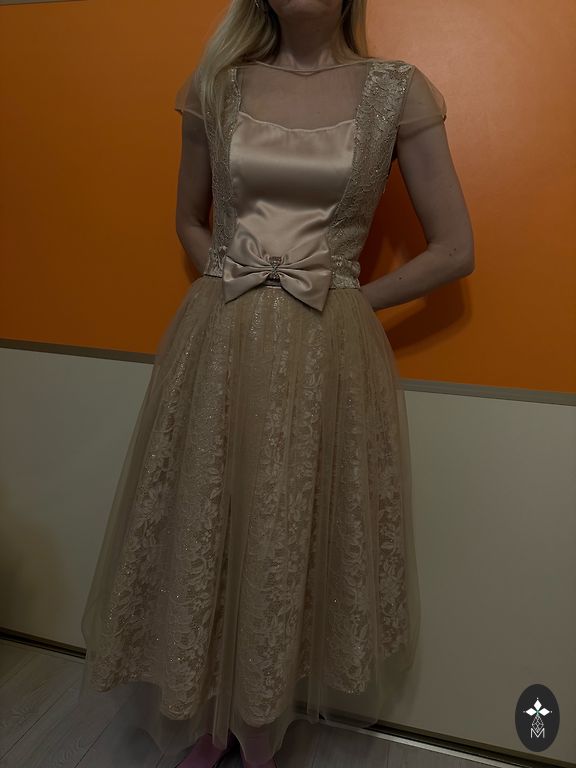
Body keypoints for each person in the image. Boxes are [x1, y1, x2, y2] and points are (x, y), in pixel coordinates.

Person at [78, 1, 474, 767]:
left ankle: (259, 729)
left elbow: (455, 248)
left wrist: (346, 295)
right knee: (209, 524)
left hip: (327, 346)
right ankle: (209, 721)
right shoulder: (216, 83)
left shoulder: (397, 90)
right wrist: (232, 272)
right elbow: (188, 219)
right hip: (220, 340)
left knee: (287, 532)